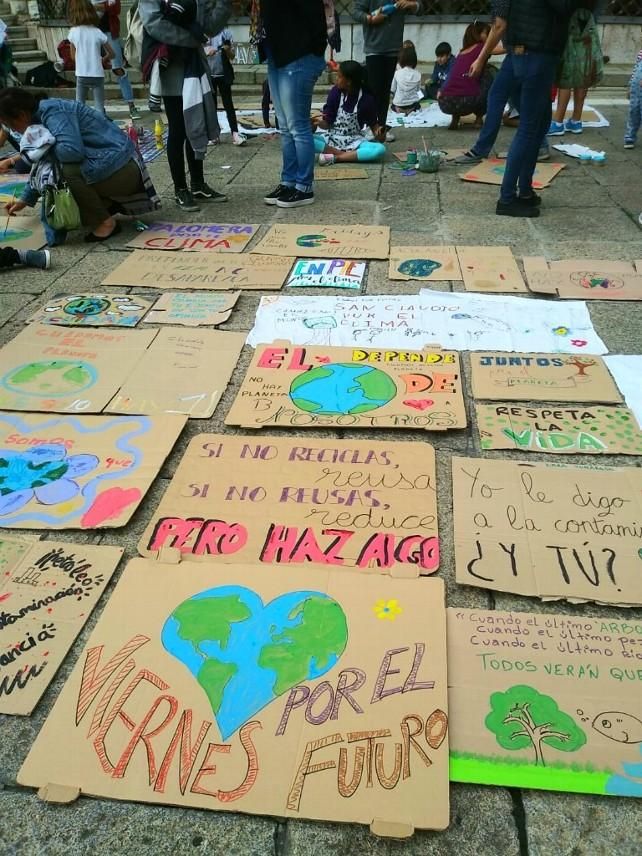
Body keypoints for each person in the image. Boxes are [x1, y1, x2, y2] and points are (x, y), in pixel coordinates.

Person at [467, 0, 581, 218]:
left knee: (539, 124)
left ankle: (525, 191)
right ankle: (507, 198)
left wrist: (483, 58)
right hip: (536, 53)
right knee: (530, 127)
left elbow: (501, 21)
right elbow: (566, 7)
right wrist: (482, 58)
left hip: (520, 53)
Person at [0, 88, 160, 241]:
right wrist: (25, 200)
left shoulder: (54, 112)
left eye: (9, 124)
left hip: (124, 170)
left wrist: (43, 148)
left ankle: (106, 222)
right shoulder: (39, 117)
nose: (12, 130)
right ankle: (106, 206)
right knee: (67, 198)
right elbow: (41, 162)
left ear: (21, 115)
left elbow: (71, 152)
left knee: (66, 171)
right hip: (111, 166)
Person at [140, 0, 231, 212]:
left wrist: (224, 5)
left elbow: (208, 26)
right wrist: (192, 39)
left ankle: (198, 184)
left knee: (196, 123)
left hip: (194, 65)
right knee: (178, 129)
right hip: (170, 67)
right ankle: (180, 188)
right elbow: (153, 23)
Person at [253, 0, 327, 209]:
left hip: (299, 56)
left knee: (297, 125)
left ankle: (304, 186)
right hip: (277, 54)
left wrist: (313, 50)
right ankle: (289, 181)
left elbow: (315, 17)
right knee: (285, 126)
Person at [352, 1, 425, 143]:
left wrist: (410, 4)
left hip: (393, 48)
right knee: (374, 90)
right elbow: (356, 11)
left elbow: (420, 8)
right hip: (374, 48)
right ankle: (370, 127)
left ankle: (381, 128)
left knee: (385, 92)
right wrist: (370, 19)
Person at [313, 60, 385, 165]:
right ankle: (344, 155)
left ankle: (337, 158)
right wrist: (317, 122)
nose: (336, 80)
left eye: (339, 77)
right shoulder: (335, 93)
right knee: (299, 138)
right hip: (332, 138)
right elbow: (327, 124)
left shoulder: (366, 100)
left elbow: (375, 129)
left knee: (380, 149)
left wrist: (381, 134)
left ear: (349, 81)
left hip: (354, 140)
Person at [549, 1, 603, 135]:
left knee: (565, 76)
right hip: (589, 29)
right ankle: (576, 121)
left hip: (569, 28)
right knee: (583, 73)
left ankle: (558, 122)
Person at [92, 0, 142, 121]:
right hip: (91, 31)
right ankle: (100, 110)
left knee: (118, 69)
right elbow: (81, 9)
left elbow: (116, 8)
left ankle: (131, 106)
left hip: (110, 32)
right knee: (93, 70)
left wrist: (95, 6)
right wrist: (103, 6)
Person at [438, 22, 490, 131]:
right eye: (487, 33)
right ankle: (479, 118)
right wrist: (514, 48)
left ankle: (455, 119)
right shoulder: (482, 47)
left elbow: (451, 76)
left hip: (445, 102)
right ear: (478, 34)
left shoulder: (460, 53)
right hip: (467, 102)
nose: (490, 36)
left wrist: (441, 90)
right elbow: (498, 49)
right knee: (488, 75)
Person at [67, 0, 114, 115]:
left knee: (80, 105)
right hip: (97, 74)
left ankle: (82, 128)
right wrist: (103, 59)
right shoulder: (97, 32)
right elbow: (112, 54)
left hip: (82, 74)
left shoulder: (73, 32)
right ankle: (101, 128)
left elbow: (73, 57)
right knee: (99, 106)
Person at [205, 27, 246, 146]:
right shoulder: (203, 31)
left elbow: (232, 56)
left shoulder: (225, 32)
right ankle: (214, 135)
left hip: (223, 73)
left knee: (228, 104)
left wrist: (227, 50)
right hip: (208, 74)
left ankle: (235, 133)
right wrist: (206, 51)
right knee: (211, 106)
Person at [391, 43, 422, 114]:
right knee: (417, 103)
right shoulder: (418, 74)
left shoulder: (397, 73)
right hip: (412, 107)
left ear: (400, 59)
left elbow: (392, 89)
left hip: (398, 107)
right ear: (414, 60)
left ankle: (400, 110)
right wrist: (420, 99)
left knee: (392, 105)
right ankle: (410, 110)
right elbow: (418, 91)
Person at [624, 42, 642, 149]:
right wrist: (630, 86)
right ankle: (629, 137)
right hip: (636, 88)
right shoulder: (640, 53)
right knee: (633, 112)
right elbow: (635, 70)